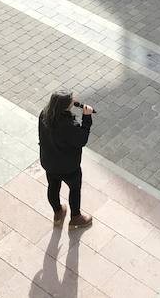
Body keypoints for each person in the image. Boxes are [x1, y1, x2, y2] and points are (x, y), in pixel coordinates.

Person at [38, 91, 94, 228]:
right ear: (65, 106)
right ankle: (76, 217)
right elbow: (81, 140)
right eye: (71, 100)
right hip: (68, 166)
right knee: (74, 189)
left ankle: (58, 212)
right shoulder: (68, 124)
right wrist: (87, 118)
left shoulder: (44, 115)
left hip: (49, 162)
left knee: (53, 186)